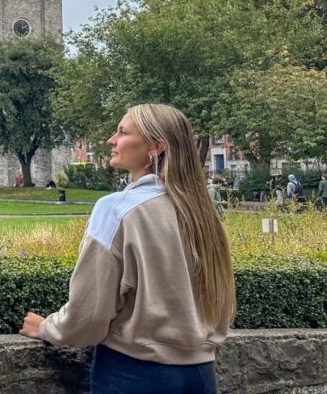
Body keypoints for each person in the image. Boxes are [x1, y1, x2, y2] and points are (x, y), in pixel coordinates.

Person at [19, 104, 235, 393]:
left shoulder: (117, 209)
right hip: (201, 375)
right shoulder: (203, 213)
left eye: (122, 132)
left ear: (156, 147)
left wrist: (48, 327)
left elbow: (90, 314)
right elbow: (219, 303)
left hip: (134, 374)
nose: (111, 140)